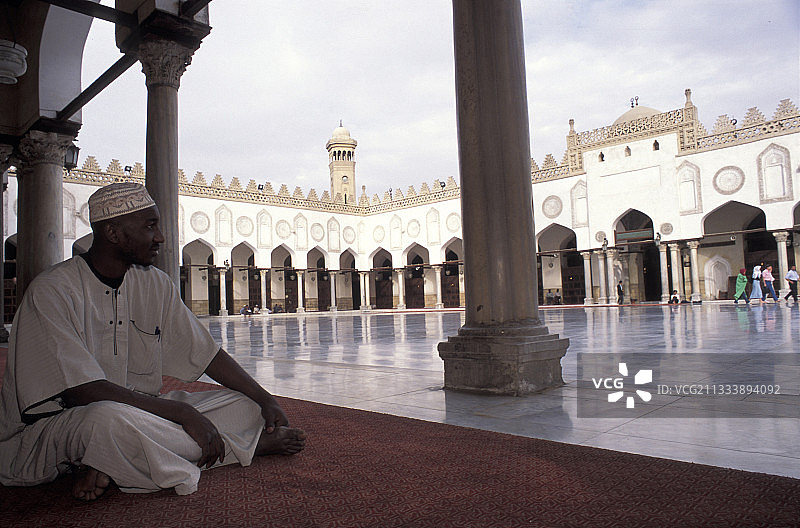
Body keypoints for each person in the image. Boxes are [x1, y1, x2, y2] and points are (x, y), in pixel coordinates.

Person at [0, 183, 305, 501]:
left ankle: (117, 460)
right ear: (114, 233)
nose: (160, 237)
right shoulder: (53, 290)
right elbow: (81, 391)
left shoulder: (154, 283)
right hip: (63, 423)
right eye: (150, 226)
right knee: (106, 420)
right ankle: (239, 447)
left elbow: (206, 353)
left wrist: (263, 397)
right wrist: (183, 414)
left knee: (244, 406)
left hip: (143, 412)